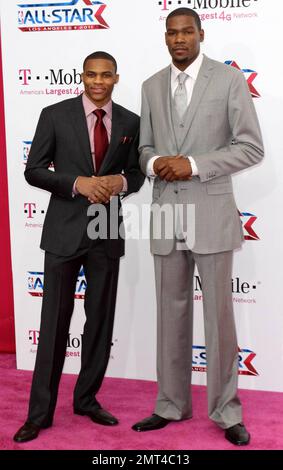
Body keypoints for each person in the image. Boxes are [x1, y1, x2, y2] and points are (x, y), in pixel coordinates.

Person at [132, 8, 263, 445]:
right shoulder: (151, 86)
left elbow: (250, 148)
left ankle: (226, 412)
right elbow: (144, 150)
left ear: (201, 34)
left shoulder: (228, 81)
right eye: (172, 33)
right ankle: (170, 404)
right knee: (170, 314)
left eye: (187, 31)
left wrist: (190, 164)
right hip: (167, 214)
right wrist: (154, 164)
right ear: (165, 38)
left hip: (211, 212)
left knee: (219, 317)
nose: (179, 39)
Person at [14, 51, 144, 443]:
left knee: (99, 323)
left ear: (116, 78)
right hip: (63, 232)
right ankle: (39, 413)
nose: (98, 81)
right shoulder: (54, 114)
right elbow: (33, 169)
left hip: (106, 231)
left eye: (106, 75)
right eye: (91, 74)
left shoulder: (130, 122)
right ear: (82, 76)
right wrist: (76, 184)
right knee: (53, 324)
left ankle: (87, 399)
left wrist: (119, 183)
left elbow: (137, 174)